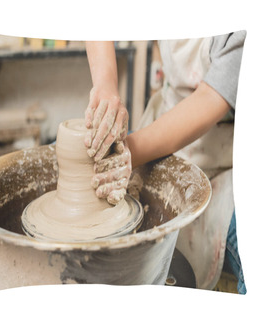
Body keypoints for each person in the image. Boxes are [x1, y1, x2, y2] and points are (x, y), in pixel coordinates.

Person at [84, 32, 247, 294]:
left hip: (236, 145)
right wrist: (105, 86)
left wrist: (128, 153)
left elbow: (211, 97)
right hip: (170, 116)